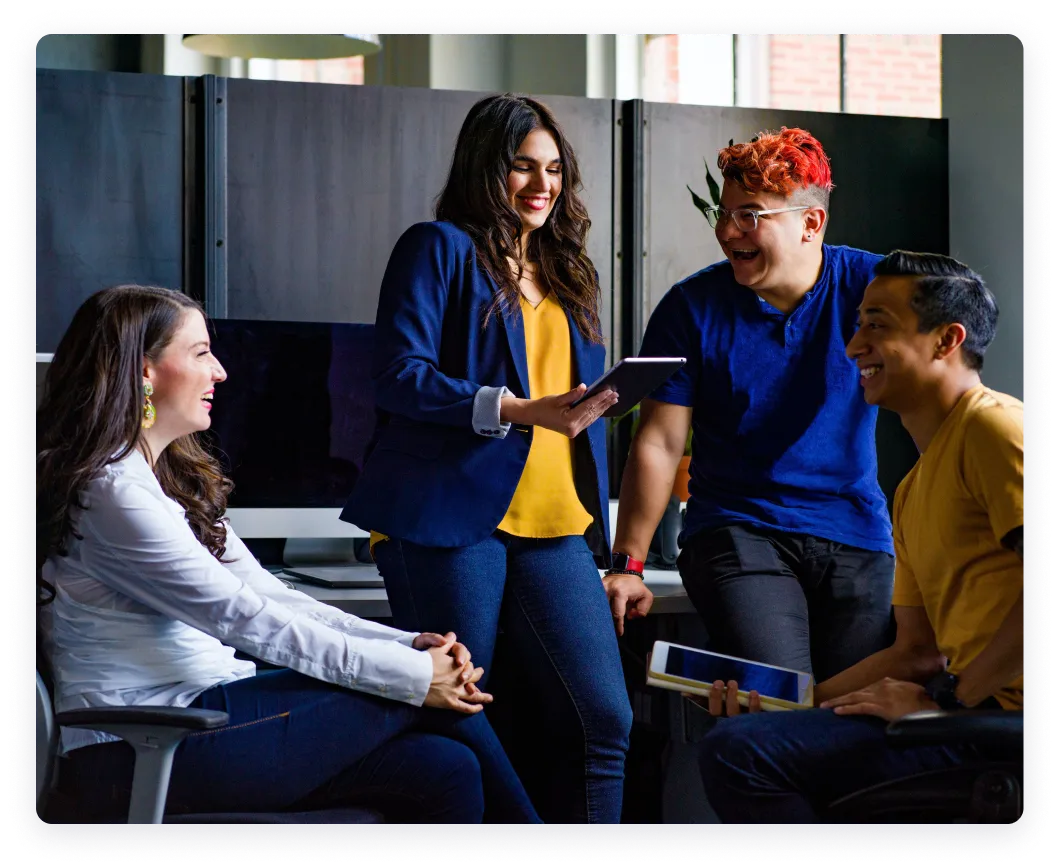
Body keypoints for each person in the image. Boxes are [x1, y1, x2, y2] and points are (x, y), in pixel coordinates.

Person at [36, 284, 540, 824]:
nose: (221, 372)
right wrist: (418, 673)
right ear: (144, 371)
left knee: (446, 768)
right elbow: (245, 619)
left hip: (208, 715)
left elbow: (273, 596)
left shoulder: (165, 483)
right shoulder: (113, 493)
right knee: (414, 690)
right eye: (202, 352)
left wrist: (407, 644)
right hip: (135, 746)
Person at [340, 93, 633, 824]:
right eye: (522, 168)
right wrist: (516, 408)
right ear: (485, 168)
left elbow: (562, 401)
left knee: (605, 718)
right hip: (449, 516)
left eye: (555, 170)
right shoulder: (437, 248)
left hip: (556, 520)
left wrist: (592, 404)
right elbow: (398, 375)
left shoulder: (569, 270)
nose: (542, 185)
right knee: (461, 711)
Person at [694, 250, 1024, 822]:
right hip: (967, 713)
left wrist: (947, 702)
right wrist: (781, 706)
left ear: (946, 340)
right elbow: (915, 651)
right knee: (753, 740)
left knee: (740, 757)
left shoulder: (994, 427)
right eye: (856, 325)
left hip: (1010, 726)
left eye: (878, 326)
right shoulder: (913, 488)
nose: (854, 347)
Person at [607, 127, 895, 685]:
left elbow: (958, 329)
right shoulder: (691, 308)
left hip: (855, 531)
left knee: (854, 717)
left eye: (750, 215)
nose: (726, 231)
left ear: (810, 223)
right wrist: (628, 567)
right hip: (737, 531)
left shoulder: (873, 286)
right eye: (724, 214)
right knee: (782, 697)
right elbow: (661, 442)